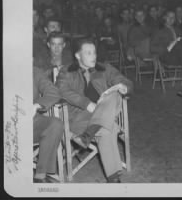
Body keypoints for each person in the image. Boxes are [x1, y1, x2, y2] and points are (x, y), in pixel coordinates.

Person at [56, 38, 133, 183]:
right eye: (89, 53)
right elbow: (61, 90)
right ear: (78, 55)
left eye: (94, 52)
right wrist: (86, 103)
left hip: (103, 112)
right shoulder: (66, 71)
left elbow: (125, 80)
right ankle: (114, 178)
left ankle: (90, 133)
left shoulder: (105, 69)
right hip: (79, 118)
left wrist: (124, 87)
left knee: (115, 94)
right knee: (108, 129)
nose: (94, 56)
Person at [33, 66, 64, 183]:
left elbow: (54, 92)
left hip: (31, 123)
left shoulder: (34, 71)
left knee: (55, 124)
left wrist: (37, 105)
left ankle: (40, 175)